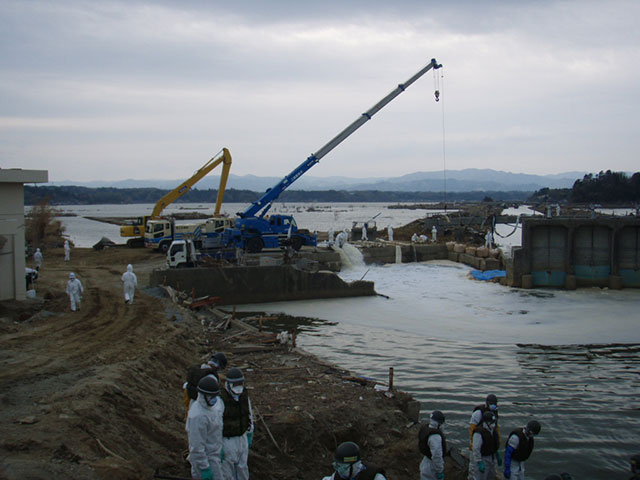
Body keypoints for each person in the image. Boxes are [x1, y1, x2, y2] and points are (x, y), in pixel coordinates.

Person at [186, 375, 224, 480]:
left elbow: (216, 430)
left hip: (215, 456)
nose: (213, 399)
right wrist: (204, 468)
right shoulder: (197, 415)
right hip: (205, 460)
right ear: (203, 395)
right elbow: (196, 446)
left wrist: (221, 447)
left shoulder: (213, 408)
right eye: (211, 396)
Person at [220, 367, 254, 480]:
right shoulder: (221, 399)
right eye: (235, 384)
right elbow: (216, 424)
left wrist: (250, 433)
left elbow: (249, 414)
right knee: (227, 473)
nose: (238, 386)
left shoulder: (244, 396)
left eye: (240, 383)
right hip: (227, 441)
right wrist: (218, 446)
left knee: (242, 469)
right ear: (228, 384)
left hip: (242, 438)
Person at [322, 441, 386, 480]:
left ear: (354, 466)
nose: (339, 470)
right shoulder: (338, 476)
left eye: (342, 467)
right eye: (337, 466)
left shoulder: (375, 477)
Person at [471, 411, 500, 480]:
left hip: (491, 457)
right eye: (491, 422)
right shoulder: (479, 433)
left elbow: (493, 443)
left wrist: (496, 453)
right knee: (480, 477)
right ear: (486, 422)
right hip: (483, 458)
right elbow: (476, 448)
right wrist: (479, 461)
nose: (493, 424)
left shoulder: (492, 431)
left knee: (491, 476)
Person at [418, 410, 446, 480]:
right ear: (439, 423)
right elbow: (436, 455)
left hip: (425, 462)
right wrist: (439, 470)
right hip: (432, 467)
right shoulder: (435, 437)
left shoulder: (426, 429)